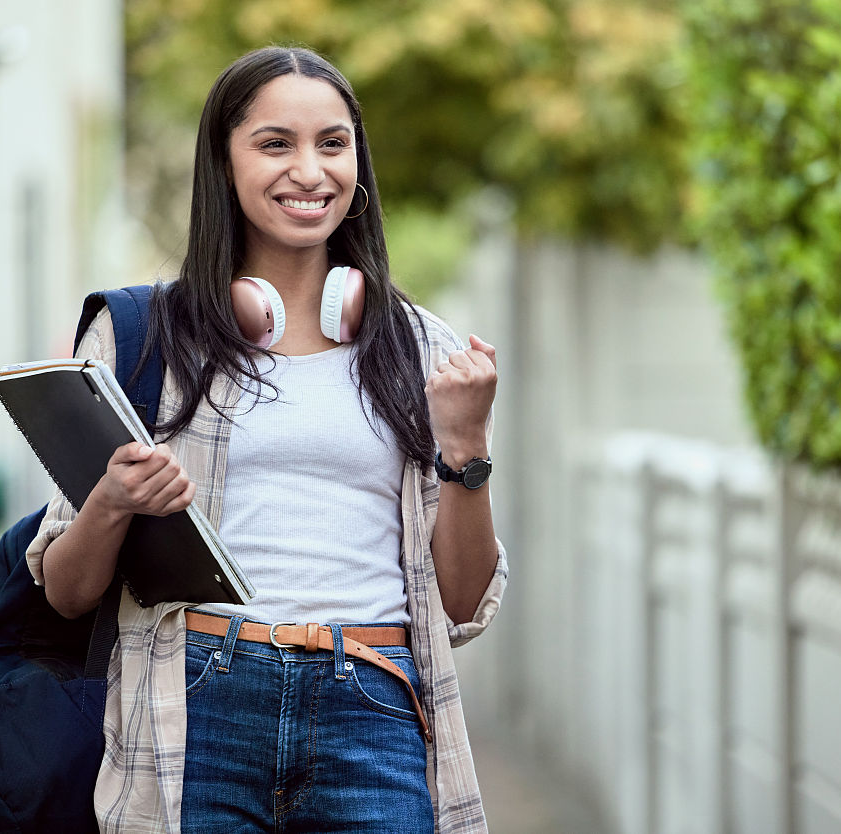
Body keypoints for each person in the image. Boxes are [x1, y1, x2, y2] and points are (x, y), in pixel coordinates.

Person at [25, 46, 507, 833]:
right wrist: (112, 501)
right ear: (224, 162)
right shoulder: (142, 339)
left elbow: (462, 603)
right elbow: (65, 592)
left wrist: (467, 446)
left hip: (371, 704)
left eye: (333, 144)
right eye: (275, 143)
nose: (309, 171)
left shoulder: (422, 349)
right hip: (195, 706)